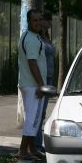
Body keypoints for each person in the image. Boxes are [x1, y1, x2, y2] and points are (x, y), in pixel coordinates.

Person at [17, 9, 47, 160]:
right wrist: (41, 85)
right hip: (33, 85)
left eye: (40, 19)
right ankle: (23, 150)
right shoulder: (31, 39)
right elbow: (32, 62)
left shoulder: (32, 36)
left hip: (30, 83)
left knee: (34, 116)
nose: (38, 22)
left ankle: (32, 149)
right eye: (35, 20)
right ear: (29, 21)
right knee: (32, 117)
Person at [35, 10, 56, 153]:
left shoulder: (46, 37)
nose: (49, 22)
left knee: (43, 112)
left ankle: (38, 143)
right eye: (46, 19)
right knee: (38, 111)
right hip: (42, 77)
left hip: (49, 76)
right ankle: (36, 144)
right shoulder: (37, 38)